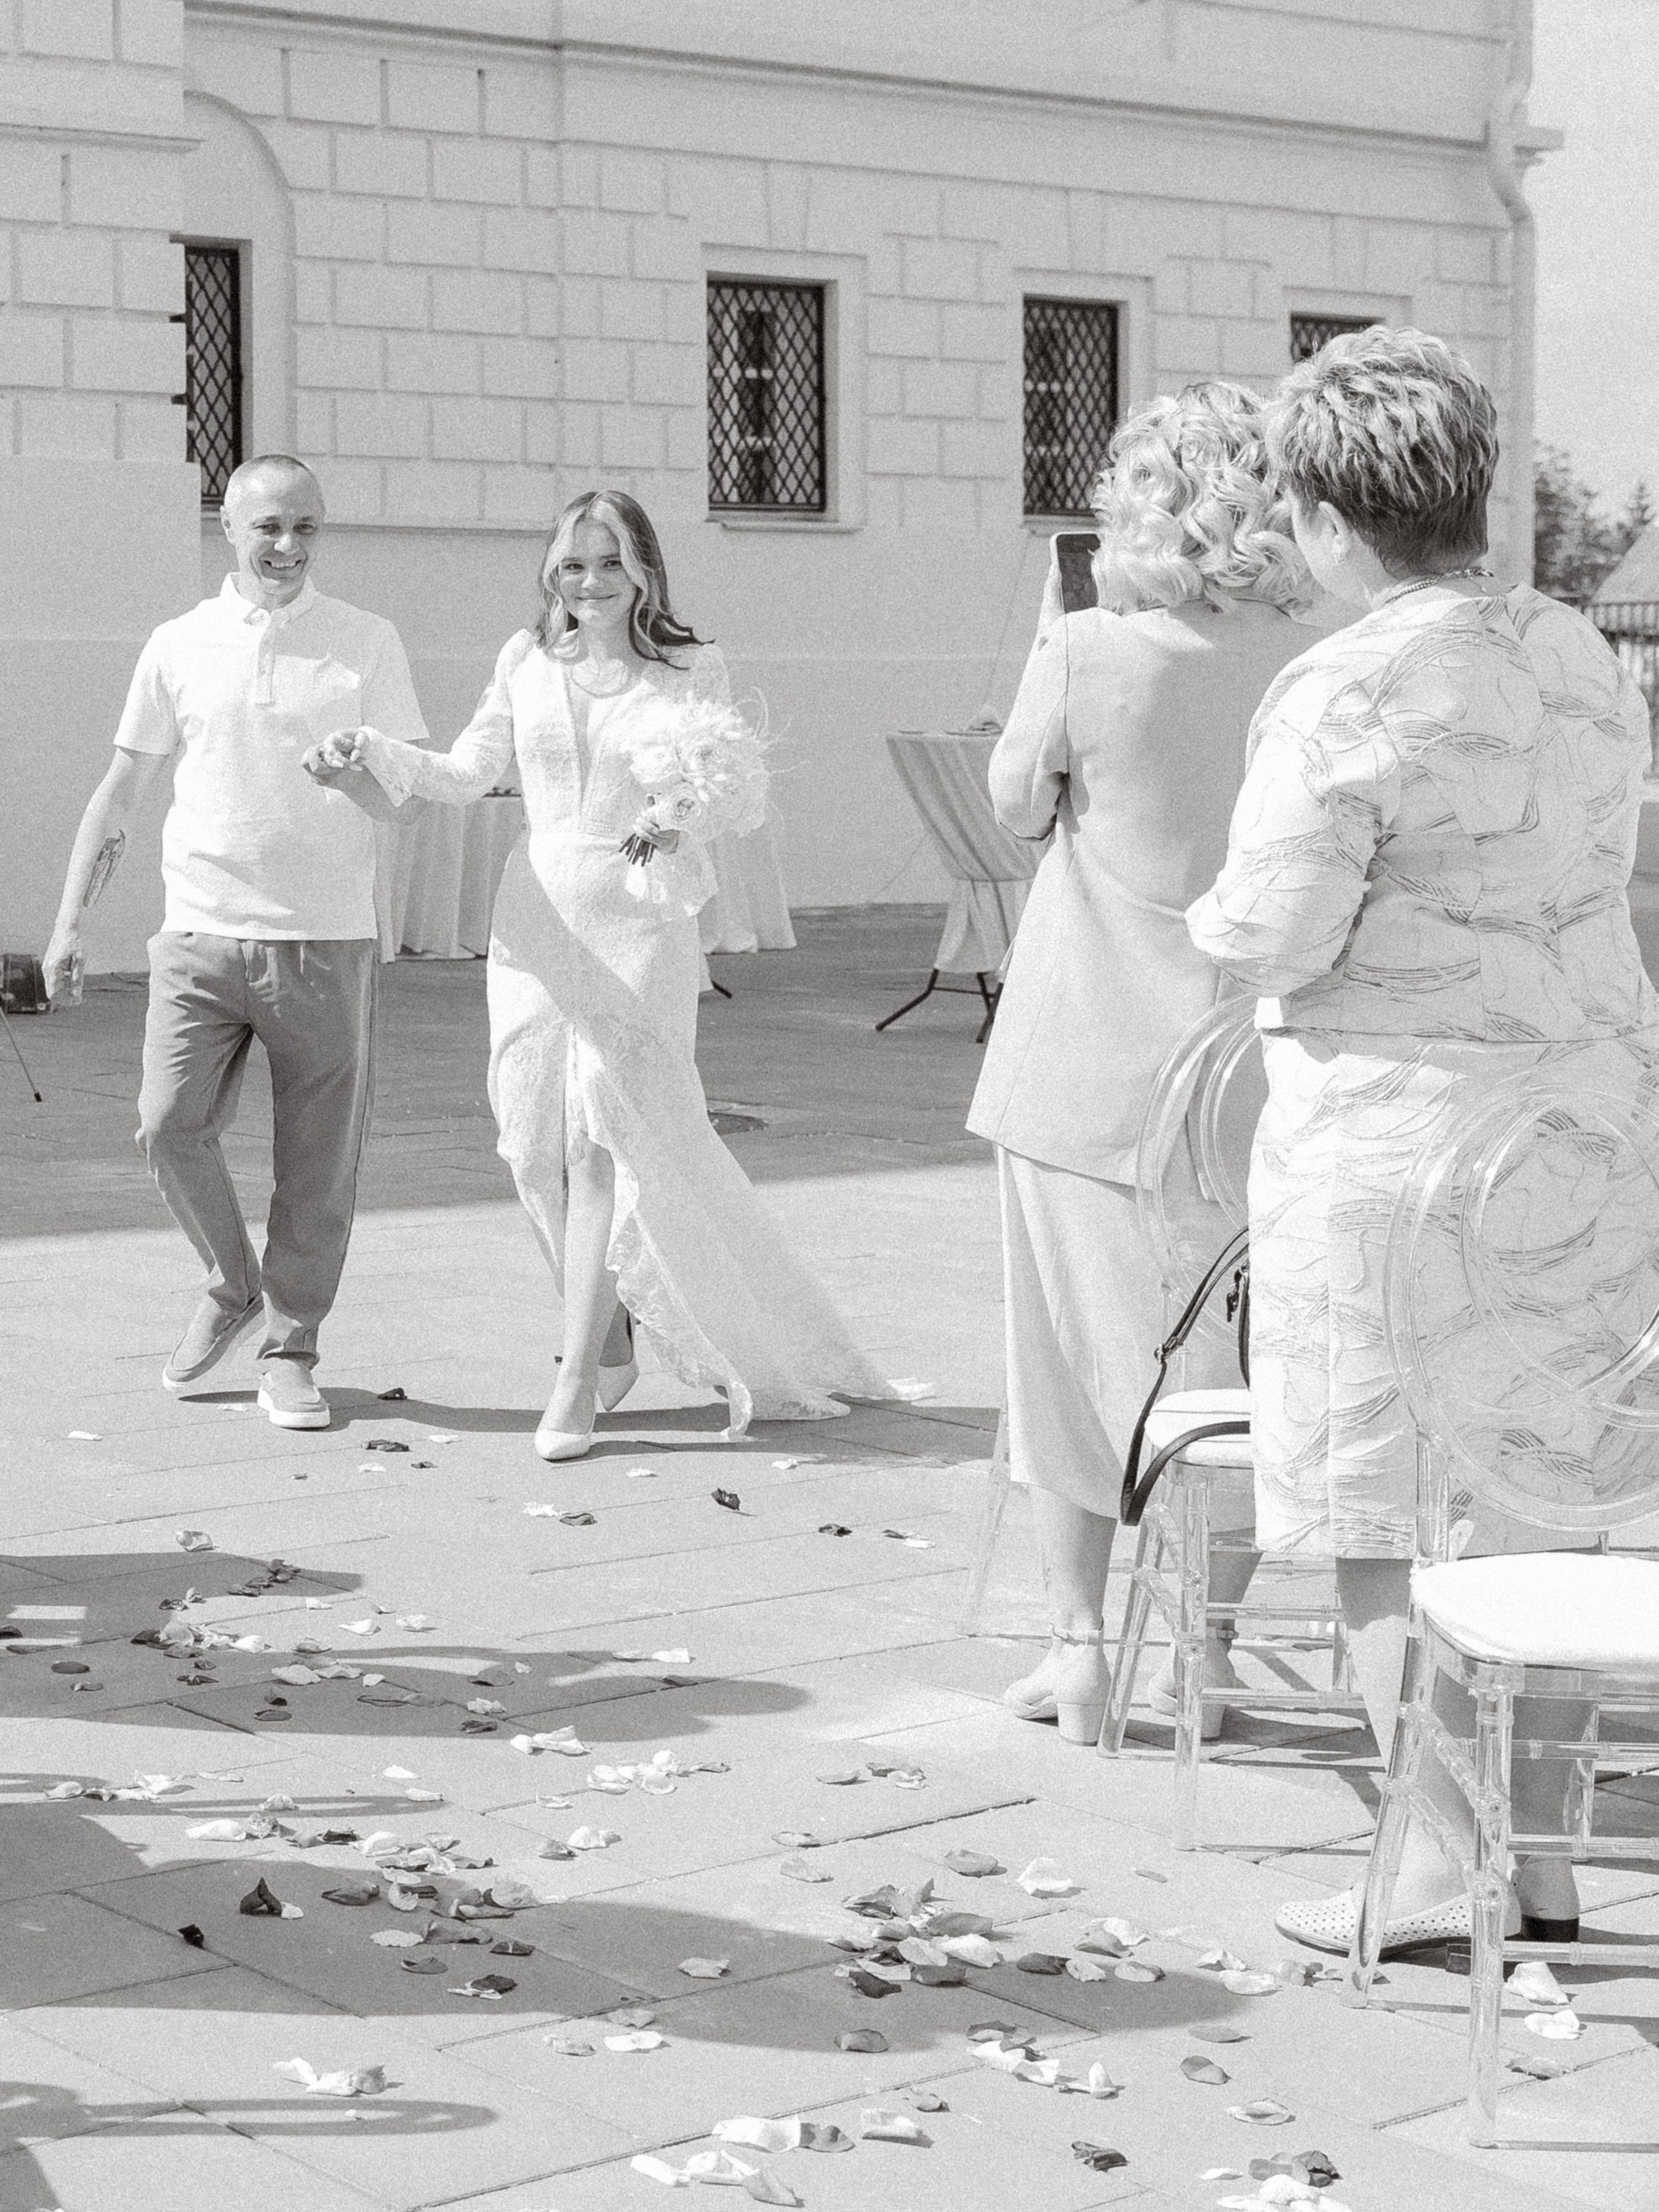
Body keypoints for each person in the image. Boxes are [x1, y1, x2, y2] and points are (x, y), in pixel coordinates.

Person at [1188, 327, 1658, 1951]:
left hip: (1397, 1138)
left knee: (1378, 1514)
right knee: (1529, 1504)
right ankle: (1536, 1855)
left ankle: (1424, 1861)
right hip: (1580, 1127)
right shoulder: (1581, 651)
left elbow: (1273, 928)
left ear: (1328, 515)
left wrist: (1211, 918)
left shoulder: (1346, 676)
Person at [305, 489, 888, 1458]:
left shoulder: (692, 667)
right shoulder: (524, 657)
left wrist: (677, 816)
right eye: (571, 564)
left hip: (638, 918)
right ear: (550, 572)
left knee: (601, 1143)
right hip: (535, 916)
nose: (588, 582)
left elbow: (720, 789)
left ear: (644, 569)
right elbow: (464, 773)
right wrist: (373, 751)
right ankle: (612, 1331)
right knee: (529, 1143)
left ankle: (574, 1375)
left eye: (608, 562)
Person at [966, 383, 1319, 1742]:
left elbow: (1013, 805)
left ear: (1138, 498)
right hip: (1251, 1068)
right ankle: (1213, 1655)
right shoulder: (1318, 646)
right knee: (1239, 1369)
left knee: (1061, 1356)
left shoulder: (1091, 648)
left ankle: (1079, 1649)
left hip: (1082, 1059)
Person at [41, 456, 426, 1430]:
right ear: (229, 529)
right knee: (167, 1123)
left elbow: (400, 804)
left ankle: (292, 1348)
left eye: (305, 528)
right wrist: (67, 926)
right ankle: (230, 1281)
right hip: (200, 932)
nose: (287, 547)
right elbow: (120, 791)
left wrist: (355, 777)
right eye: (268, 528)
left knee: (317, 1164)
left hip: (324, 939)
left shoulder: (366, 642)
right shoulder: (179, 643)